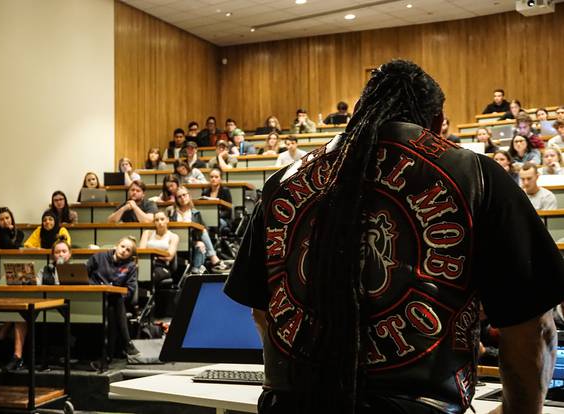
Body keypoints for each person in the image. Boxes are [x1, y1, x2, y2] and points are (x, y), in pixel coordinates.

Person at [225, 59, 564, 414]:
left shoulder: (283, 181)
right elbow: (532, 330)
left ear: (356, 114)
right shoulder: (478, 175)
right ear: (436, 124)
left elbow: (263, 313)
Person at [0, 236, 72, 371]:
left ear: (70, 254)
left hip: (66, 307)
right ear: (52, 255)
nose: (60, 254)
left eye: (64, 251)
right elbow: (37, 283)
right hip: (44, 304)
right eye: (57, 252)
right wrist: (27, 280)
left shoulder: (75, 270)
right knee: (22, 314)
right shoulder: (46, 269)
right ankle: (17, 356)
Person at [87, 236, 141, 363]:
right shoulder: (99, 257)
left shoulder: (131, 266)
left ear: (130, 254)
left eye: (128, 250)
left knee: (114, 303)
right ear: (117, 245)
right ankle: (126, 344)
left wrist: (116, 294)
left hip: (115, 300)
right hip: (94, 297)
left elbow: (131, 288)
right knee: (114, 305)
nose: (123, 251)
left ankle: (107, 357)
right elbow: (83, 274)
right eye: (122, 246)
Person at [168, 186, 227, 274]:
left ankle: (195, 271)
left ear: (188, 196)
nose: (182, 198)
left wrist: (196, 242)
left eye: (184, 195)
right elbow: (171, 231)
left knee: (201, 244)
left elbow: (201, 230)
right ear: (176, 199)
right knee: (202, 238)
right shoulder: (173, 213)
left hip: (191, 241)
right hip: (177, 242)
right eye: (179, 197)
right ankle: (213, 258)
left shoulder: (195, 213)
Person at [140, 211, 179, 295]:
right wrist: (158, 255)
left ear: (167, 220)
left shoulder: (173, 236)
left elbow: (169, 256)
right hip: (146, 264)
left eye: (162, 219)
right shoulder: (147, 233)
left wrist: (154, 256)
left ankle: (148, 298)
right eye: (157, 220)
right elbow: (141, 251)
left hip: (162, 266)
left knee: (151, 275)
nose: (160, 222)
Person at [201, 168, 233, 232]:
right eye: (211, 177)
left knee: (215, 223)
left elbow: (228, 211)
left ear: (220, 179)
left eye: (216, 177)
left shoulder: (225, 191)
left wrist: (215, 215)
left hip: (222, 219)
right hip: (208, 218)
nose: (213, 179)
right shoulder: (205, 192)